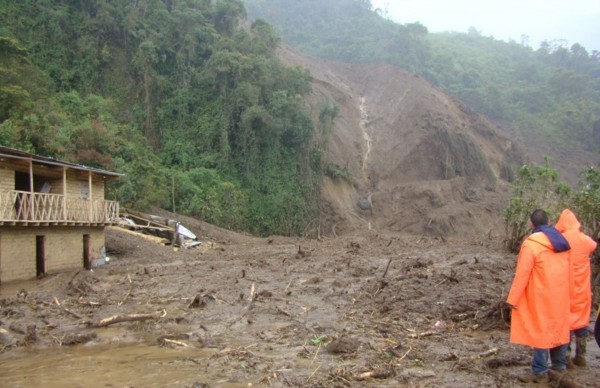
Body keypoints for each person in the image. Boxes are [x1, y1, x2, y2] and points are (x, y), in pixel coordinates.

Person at [506, 209, 571, 383]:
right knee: (560, 327)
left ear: (531, 224)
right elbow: (570, 269)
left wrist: (512, 299)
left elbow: (523, 274)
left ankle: (540, 371)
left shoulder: (531, 244)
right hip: (561, 293)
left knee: (541, 330)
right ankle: (559, 367)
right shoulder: (562, 241)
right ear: (549, 221)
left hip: (541, 294)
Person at [555, 208, 597, 367]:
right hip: (583, 289)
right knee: (582, 321)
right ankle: (581, 355)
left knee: (566, 323)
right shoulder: (585, 240)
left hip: (565, 289)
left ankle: (565, 357)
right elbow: (593, 245)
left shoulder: (560, 240)